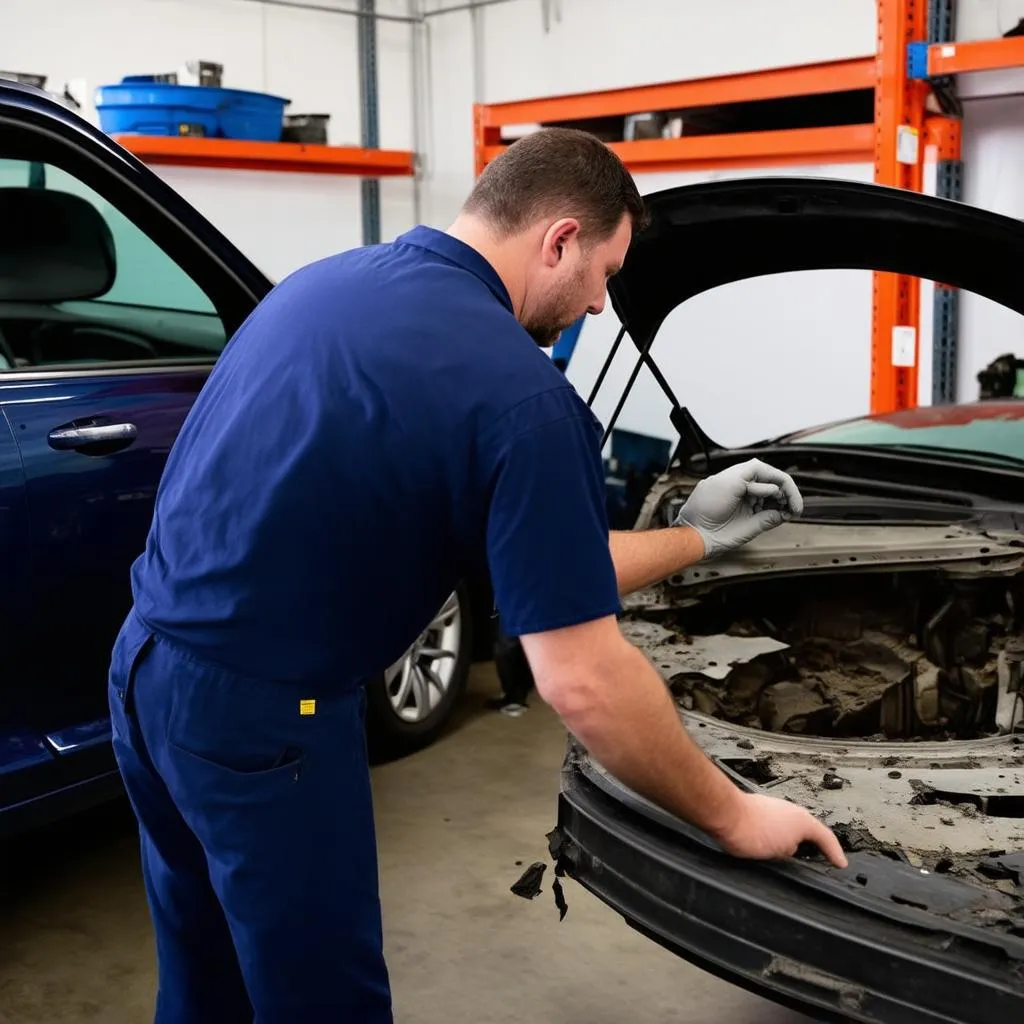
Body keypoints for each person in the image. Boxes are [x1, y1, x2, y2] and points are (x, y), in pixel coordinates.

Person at [107, 126, 847, 1024]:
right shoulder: (522, 397)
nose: (602, 306)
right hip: (266, 723)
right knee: (321, 1002)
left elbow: (552, 572)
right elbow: (581, 678)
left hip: (145, 676)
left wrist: (694, 538)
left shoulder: (324, 286)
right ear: (560, 239)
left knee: (202, 980)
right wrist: (735, 817)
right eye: (606, 273)